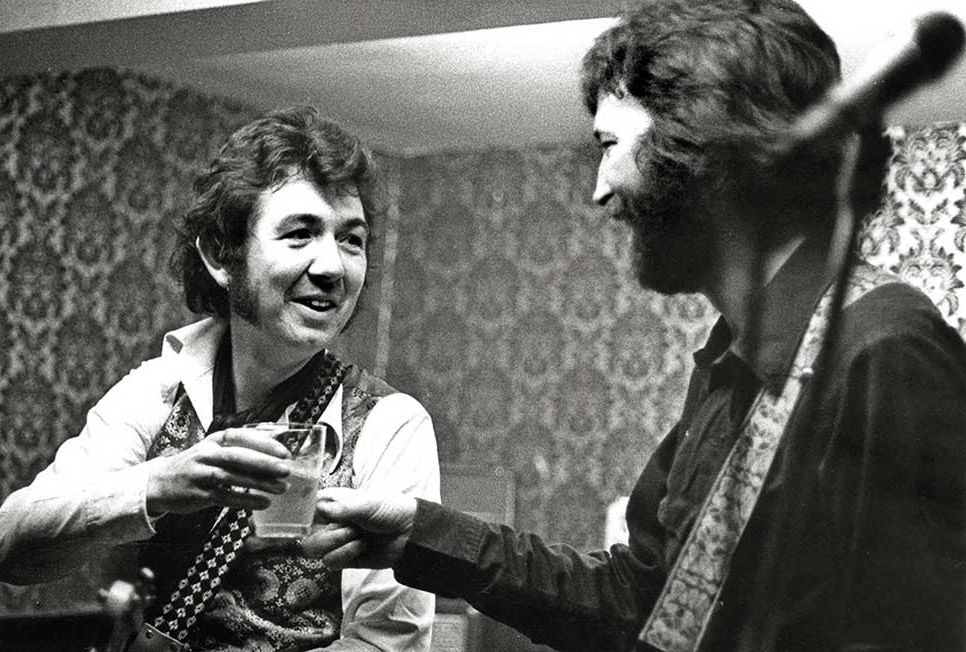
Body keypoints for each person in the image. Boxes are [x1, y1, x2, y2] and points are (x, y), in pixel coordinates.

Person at [299, 2, 966, 652]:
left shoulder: (884, 348)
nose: (599, 189)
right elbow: (636, 604)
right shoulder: (732, 362)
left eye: (611, 145)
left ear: (712, 149)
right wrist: (421, 534)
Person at [0, 106, 440, 652]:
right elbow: (9, 546)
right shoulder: (158, 390)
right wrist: (157, 486)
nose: (332, 267)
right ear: (219, 256)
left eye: (352, 240)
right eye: (300, 234)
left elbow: (386, 643)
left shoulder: (389, 424)